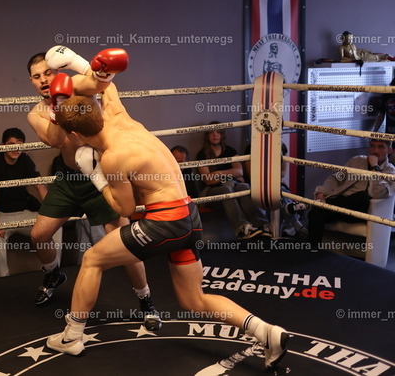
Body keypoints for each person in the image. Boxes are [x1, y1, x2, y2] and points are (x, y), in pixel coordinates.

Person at [47, 52, 289, 370]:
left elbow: (125, 208)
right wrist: (80, 64)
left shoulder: (113, 157)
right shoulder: (120, 117)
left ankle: (72, 336)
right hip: (189, 215)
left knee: (92, 259)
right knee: (193, 300)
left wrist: (96, 176)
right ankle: (266, 332)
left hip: (165, 221)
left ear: (77, 136)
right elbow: (106, 84)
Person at [26, 48, 161, 331]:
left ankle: (145, 300)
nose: (43, 80)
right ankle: (52, 274)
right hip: (68, 179)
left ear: (57, 71)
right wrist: (58, 105)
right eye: (37, 77)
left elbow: (99, 83)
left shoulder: (79, 87)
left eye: (48, 73)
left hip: (100, 175)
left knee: (124, 240)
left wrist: (82, 67)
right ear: (32, 81)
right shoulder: (36, 113)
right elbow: (55, 140)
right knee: (39, 235)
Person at [0, 127, 52, 278]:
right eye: (11, 144)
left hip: (24, 212)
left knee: (54, 226)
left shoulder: (24, 158)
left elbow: (40, 186)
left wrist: (52, 212)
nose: (16, 148)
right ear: (4, 145)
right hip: (1, 215)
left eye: (20, 144)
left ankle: (53, 271)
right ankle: (2, 280)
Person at [306, 139, 395, 246]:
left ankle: (324, 204)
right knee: (315, 212)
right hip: (343, 205)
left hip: (364, 210)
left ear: (389, 150)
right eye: (372, 146)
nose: (375, 151)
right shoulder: (356, 161)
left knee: (362, 197)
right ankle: (312, 250)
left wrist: (374, 167)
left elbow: (377, 193)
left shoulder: (390, 171)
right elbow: (336, 178)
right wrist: (321, 192)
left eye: (380, 147)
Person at [196, 123, 269, 239]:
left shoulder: (230, 151)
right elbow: (208, 180)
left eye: (218, 132)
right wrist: (230, 174)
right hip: (211, 193)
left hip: (232, 186)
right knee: (226, 189)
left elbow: (239, 171)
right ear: (207, 136)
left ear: (222, 135)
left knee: (244, 187)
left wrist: (218, 173)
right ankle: (242, 228)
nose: (215, 135)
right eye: (211, 132)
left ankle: (261, 225)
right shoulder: (202, 154)